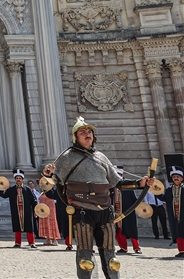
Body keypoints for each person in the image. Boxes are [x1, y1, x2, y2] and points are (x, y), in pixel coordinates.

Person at [43, 116, 154, 278]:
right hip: (82, 212)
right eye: (83, 132)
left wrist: (140, 183)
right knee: (85, 257)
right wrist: (47, 174)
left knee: (111, 257)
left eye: (90, 132)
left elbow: (117, 182)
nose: (87, 134)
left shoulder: (101, 157)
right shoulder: (67, 157)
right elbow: (54, 180)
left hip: (104, 212)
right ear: (76, 136)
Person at [0, 169, 38, 248]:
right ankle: (17, 243)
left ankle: (32, 242)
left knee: (29, 226)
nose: (18, 180)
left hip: (26, 210)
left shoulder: (27, 189)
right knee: (17, 226)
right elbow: (4, 195)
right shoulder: (11, 189)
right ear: (15, 179)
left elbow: (34, 200)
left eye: (20, 178)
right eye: (17, 178)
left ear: (22, 179)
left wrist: (35, 210)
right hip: (16, 210)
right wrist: (0, 187)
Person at [110, 166, 140, 254]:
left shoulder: (128, 185)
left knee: (131, 229)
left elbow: (134, 199)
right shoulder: (110, 186)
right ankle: (123, 247)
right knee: (118, 230)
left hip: (127, 212)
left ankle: (136, 247)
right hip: (115, 212)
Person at [162, 166, 184, 257]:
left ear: (182, 178)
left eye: (178, 177)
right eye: (174, 177)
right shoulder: (169, 190)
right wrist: (155, 190)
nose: (176, 178)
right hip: (174, 214)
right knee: (177, 232)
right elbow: (163, 198)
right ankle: (182, 251)